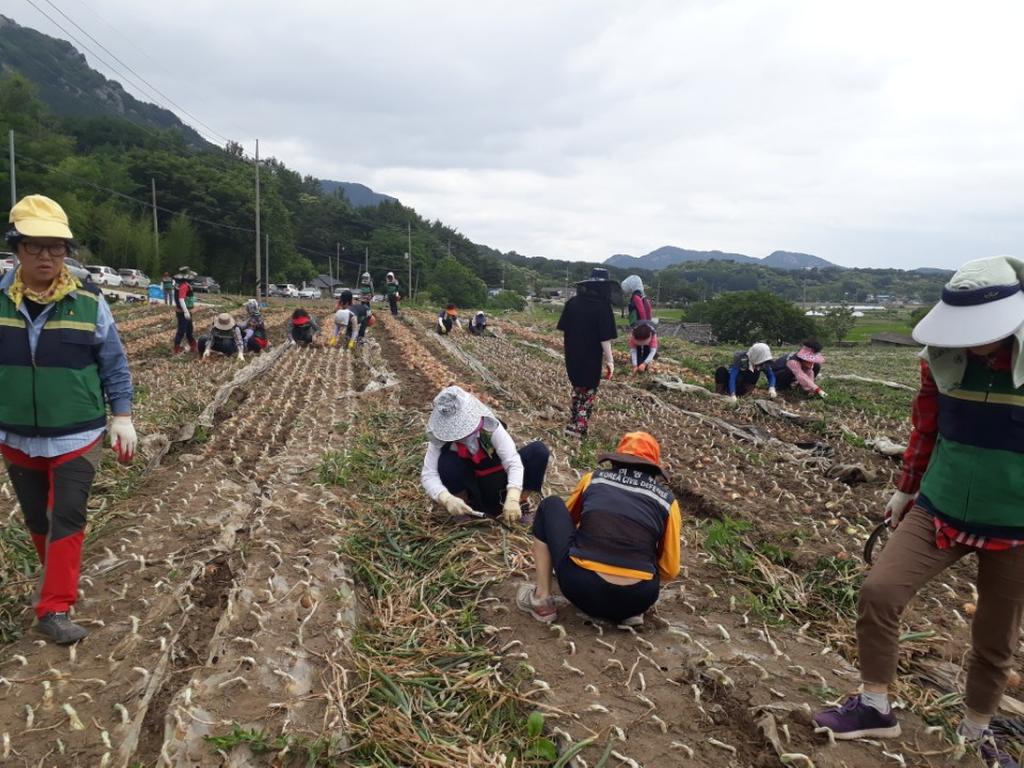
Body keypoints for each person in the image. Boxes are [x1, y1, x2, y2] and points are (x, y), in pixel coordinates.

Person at [812, 256, 1024, 766]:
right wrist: (905, 491)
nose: (973, 341)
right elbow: (926, 429)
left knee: (995, 638)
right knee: (879, 591)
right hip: (940, 505)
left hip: (1016, 525)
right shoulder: (940, 360)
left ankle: (975, 731)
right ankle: (874, 707)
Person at [0, 195, 137, 644]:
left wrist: (122, 416)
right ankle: (54, 580)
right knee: (38, 518)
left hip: (78, 432)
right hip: (16, 434)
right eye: (35, 247)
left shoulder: (89, 301)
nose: (46, 257)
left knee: (68, 515)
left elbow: (114, 363)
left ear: (67, 251)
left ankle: (54, 606)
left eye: (56, 248)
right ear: (17, 248)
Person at [516, 432, 680, 626]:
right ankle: (628, 614)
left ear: (616, 460)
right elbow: (670, 570)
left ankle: (541, 599)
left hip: (581, 587)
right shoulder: (668, 501)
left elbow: (566, 523)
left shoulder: (594, 479)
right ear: (653, 469)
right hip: (638, 599)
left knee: (550, 505)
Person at [421, 386, 549, 524]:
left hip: (498, 478)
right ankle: (463, 508)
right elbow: (428, 475)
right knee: (447, 462)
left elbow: (512, 461)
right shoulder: (441, 437)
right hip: (473, 486)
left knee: (538, 451)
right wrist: (446, 498)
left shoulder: (489, 426)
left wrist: (513, 496)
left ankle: (520, 503)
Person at [557, 267, 618, 438]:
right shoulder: (603, 307)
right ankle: (579, 427)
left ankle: (573, 422)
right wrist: (610, 360)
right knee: (589, 391)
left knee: (577, 388)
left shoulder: (572, 303)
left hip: (573, 353)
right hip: (591, 357)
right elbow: (605, 338)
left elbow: (565, 329)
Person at [172, 270, 197, 354]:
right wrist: (186, 312)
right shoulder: (184, 286)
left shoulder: (183, 285)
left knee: (189, 330)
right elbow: (181, 299)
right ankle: (176, 349)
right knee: (181, 331)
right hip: (183, 312)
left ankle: (193, 345)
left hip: (186, 311)